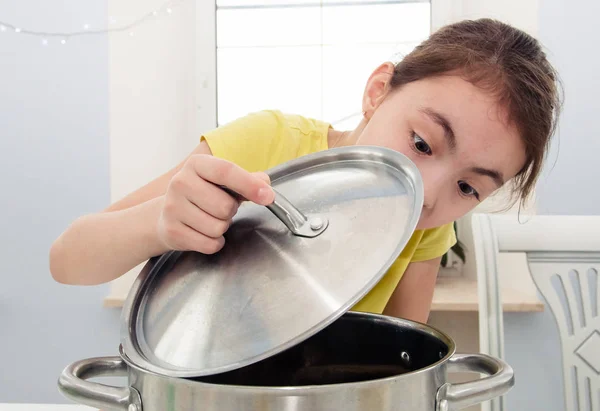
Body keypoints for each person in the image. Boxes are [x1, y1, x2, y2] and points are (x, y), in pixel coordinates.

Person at [49, 18, 561, 324]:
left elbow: (402, 354)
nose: (427, 194)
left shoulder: (426, 230)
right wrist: (157, 224)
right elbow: (66, 261)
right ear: (377, 91)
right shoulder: (266, 143)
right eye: (422, 142)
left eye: (468, 186)